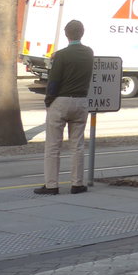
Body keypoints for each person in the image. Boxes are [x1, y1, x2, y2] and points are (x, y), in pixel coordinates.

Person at [36, 19, 94, 195]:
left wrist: (48, 100)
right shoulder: (89, 53)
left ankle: (51, 185)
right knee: (77, 145)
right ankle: (77, 184)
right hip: (81, 101)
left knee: (53, 145)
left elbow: (53, 82)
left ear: (66, 34)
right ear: (82, 33)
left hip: (61, 101)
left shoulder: (61, 55)